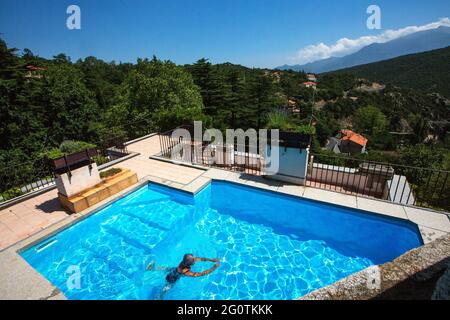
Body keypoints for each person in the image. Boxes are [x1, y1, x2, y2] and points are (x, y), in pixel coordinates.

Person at [147, 253, 220, 299]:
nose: (195, 259)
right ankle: (160, 296)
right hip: (173, 278)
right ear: (191, 264)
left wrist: (211, 260)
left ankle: (152, 268)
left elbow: (200, 259)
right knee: (168, 286)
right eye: (194, 259)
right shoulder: (186, 272)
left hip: (174, 269)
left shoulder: (185, 261)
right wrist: (214, 267)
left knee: (166, 268)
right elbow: (201, 274)